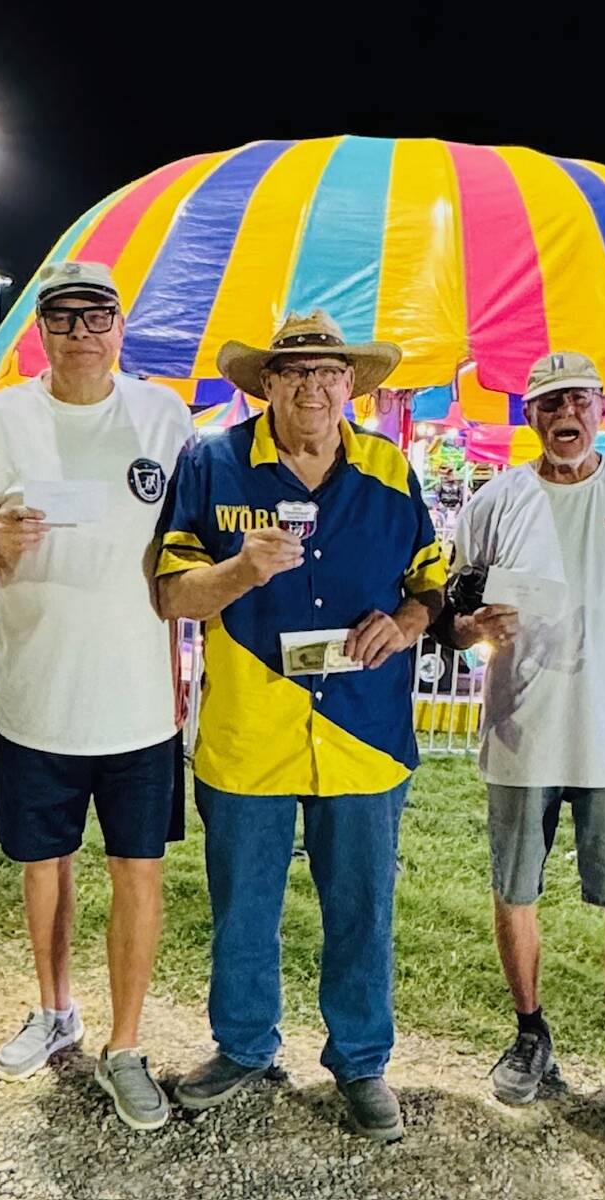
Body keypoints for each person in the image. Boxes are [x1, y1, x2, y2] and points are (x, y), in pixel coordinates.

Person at [156, 311, 446, 1142]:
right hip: (250, 730)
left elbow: (429, 582)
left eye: (329, 372)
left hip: (363, 733)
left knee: (362, 907)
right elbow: (173, 593)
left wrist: (409, 621)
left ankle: (361, 1061)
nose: (314, 386)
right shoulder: (212, 464)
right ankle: (244, 1045)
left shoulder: (390, 470)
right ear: (267, 385)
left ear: (352, 385)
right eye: (296, 373)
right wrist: (237, 571)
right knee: (242, 904)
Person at [0, 261, 193, 1133]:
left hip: (138, 704)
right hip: (35, 696)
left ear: (122, 325)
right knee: (44, 869)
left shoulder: (165, 417)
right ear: (38, 329)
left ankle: (125, 1047)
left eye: (99, 316)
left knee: (139, 871)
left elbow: (184, 557)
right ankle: (55, 1012)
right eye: (64, 317)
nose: (83, 332)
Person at [435, 352, 605, 1162]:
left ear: (601, 406)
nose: (563, 413)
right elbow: (451, 614)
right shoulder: (495, 501)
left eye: (577, 397)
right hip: (521, 735)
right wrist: (476, 632)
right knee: (515, 893)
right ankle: (530, 1034)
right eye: (548, 403)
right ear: (531, 415)